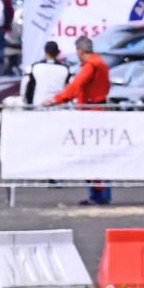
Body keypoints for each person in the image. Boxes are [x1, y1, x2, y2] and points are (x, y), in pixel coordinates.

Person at [45, 35, 111, 205]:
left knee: (91, 155)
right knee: (100, 156)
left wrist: (55, 99)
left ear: (80, 51)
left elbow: (76, 86)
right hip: (99, 111)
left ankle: (97, 195)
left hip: (91, 115)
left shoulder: (91, 66)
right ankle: (101, 194)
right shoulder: (100, 64)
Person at [21, 40, 71, 105]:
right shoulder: (66, 69)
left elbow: (25, 85)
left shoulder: (34, 67)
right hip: (59, 105)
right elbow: (71, 88)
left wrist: (25, 101)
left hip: (37, 105)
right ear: (58, 52)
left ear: (45, 51)